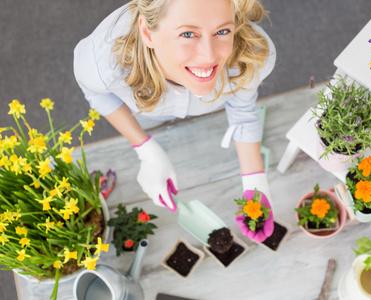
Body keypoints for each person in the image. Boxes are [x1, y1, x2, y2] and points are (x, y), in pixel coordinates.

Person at [73, 0, 276, 242]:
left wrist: (255, 182)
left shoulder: (254, 53)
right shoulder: (103, 61)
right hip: (144, 113)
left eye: (222, 31)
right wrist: (144, 147)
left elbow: (242, 108)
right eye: (188, 34)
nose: (209, 57)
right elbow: (95, 92)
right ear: (147, 33)